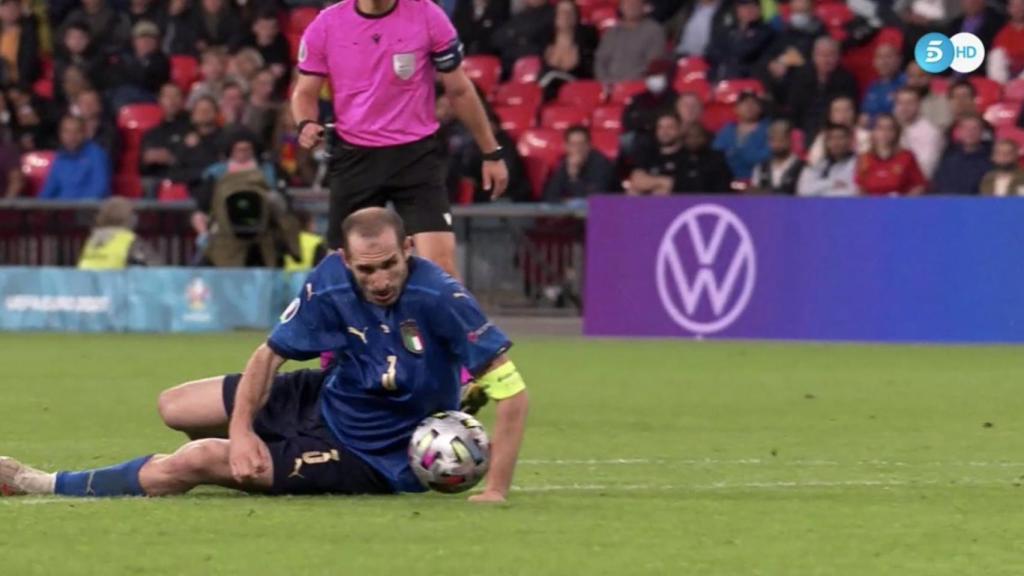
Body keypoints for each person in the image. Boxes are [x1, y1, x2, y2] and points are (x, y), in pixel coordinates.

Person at [0, 208, 530, 503]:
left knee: (198, 459)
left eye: (389, 264)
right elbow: (268, 356)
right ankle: (249, 456)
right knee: (175, 406)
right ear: (345, 260)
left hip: (372, 457)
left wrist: (497, 491)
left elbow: (513, 391)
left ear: (408, 250)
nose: (380, 279)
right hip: (326, 397)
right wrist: (243, 430)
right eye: (366, 270)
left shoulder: (440, 297)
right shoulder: (329, 282)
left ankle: (40, 482)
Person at [291, 0, 508, 278]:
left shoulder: (427, 15)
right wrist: (306, 123)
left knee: (442, 270)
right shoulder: (326, 25)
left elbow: (460, 90)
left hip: (415, 157)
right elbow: (304, 93)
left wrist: (492, 153)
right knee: (344, 274)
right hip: (356, 159)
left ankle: (441, 322)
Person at [629, 114, 732, 195]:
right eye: (660, 127)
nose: (664, 132)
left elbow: (688, 186)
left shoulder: (689, 155)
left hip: (680, 207)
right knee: (633, 191)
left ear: (680, 130)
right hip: (650, 205)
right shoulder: (650, 153)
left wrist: (663, 185)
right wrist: (663, 182)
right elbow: (637, 180)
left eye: (670, 127)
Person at [783, 36, 859, 143]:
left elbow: (850, 110)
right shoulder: (801, 76)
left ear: (838, 57)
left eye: (831, 55)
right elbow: (794, 107)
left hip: (832, 128)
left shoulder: (846, 79)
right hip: (804, 126)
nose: (827, 60)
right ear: (814, 56)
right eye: (822, 55)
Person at [39, 115, 111, 201]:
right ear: (60, 135)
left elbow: (99, 190)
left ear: (85, 133)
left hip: (87, 210)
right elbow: (49, 189)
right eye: (67, 132)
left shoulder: (97, 155)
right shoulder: (60, 157)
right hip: (61, 210)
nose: (72, 136)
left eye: (77, 132)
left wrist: (72, 209)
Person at [593, 0, 666, 85]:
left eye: (635, 3)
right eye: (627, 3)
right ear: (621, 7)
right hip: (607, 85)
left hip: (638, 86)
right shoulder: (611, 33)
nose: (631, 6)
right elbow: (600, 61)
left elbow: (653, 65)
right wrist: (604, 81)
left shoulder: (654, 31)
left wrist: (622, 84)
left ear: (644, 7)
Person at [78, 197, 160, 269]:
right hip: (115, 283)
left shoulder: (93, 239)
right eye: (133, 212)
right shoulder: (128, 239)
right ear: (125, 216)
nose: (136, 217)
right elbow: (154, 267)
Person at [538, 0, 597, 100]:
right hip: (547, 99)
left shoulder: (585, 46)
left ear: (576, 17)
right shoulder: (544, 45)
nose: (565, 15)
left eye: (569, 12)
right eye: (561, 12)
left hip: (576, 97)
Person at [856, 113, 927, 196]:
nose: (885, 133)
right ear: (873, 132)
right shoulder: (864, 158)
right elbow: (860, 187)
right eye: (880, 128)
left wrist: (905, 202)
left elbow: (919, 186)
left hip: (900, 206)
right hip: (872, 207)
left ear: (896, 133)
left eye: (890, 129)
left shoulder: (907, 157)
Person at [706, 0, 775, 82]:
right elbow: (710, 50)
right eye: (745, 6)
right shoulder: (728, 30)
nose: (749, 10)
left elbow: (745, 52)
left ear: (759, 10)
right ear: (737, 9)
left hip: (746, 80)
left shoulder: (766, 32)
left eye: (754, 6)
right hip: (720, 77)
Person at [543, 126, 615, 201]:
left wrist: (573, 177)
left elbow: (593, 199)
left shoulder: (601, 164)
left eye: (581, 144)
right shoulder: (564, 163)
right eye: (573, 144)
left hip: (610, 210)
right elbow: (549, 196)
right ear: (566, 147)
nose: (578, 149)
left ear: (589, 146)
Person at [140, 83, 191, 187]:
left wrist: (172, 159)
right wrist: (146, 160)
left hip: (185, 182)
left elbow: (199, 162)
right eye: (167, 96)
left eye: (176, 96)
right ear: (160, 101)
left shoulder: (193, 129)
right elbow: (142, 169)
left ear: (183, 101)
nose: (172, 101)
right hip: (156, 183)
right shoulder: (151, 134)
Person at [712, 91, 771, 180]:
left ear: (760, 109)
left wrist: (734, 154)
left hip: (758, 183)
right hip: (727, 182)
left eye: (753, 103)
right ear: (736, 109)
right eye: (744, 103)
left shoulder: (770, 130)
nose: (749, 106)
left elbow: (766, 157)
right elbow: (716, 156)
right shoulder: (727, 131)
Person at [931, 115, 992, 195]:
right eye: (966, 129)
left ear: (982, 132)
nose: (970, 132)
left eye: (975, 128)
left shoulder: (991, 159)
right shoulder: (948, 158)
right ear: (959, 132)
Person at [892, 86, 944, 179]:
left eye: (909, 103)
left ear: (919, 105)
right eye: (900, 103)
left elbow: (926, 169)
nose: (904, 108)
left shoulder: (930, 132)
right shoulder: (890, 128)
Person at [796, 123, 860, 197]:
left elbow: (854, 192)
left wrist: (820, 191)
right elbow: (803, 190)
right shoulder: (818, 163)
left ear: (849, 141)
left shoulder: (858, 163)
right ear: (826, 142)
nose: (836, 142)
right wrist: (832, 183)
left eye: (840, 138)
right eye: (831, 138)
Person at [805, 95, 871, 166]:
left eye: (847, 110)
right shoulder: (823, 137)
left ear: (854, 113)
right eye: (837, 111)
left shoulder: (866, 136)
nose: (843, 115)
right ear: (830, 116)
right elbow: (812, 163)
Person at [750, 119, 805, 195]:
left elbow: (804, 194)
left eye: (781, 140)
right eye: (773, 140)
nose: (777, 144)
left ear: (790, 140)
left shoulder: (802, 167)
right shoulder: (761, 167)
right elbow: (755, 194)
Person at [0, 0, 40, 88]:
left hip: (20, 84)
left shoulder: (28, 32)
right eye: (7, 6)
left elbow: (29, 62)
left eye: (15, 6)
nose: (11, 10)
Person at [904, 61, 952, 131]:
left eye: (921, 76)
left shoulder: (942, 101)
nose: (916, 80)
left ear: (930, 77)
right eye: (911, 76)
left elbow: (942, 129)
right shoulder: (900, 103)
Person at [860, 43, 903, 120]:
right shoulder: (872, 86)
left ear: (899, 60)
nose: (884, 62)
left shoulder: (906, 83)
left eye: (888, 57)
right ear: (874, 62)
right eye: (879, 57)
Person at [988, 0, 1024, 83]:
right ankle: (999, 87)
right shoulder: (1003, 32)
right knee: (996, 54)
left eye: (1021, 5)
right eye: (1014, 6)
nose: (1018, 9)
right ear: (1009, 9)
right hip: (1008, 73)